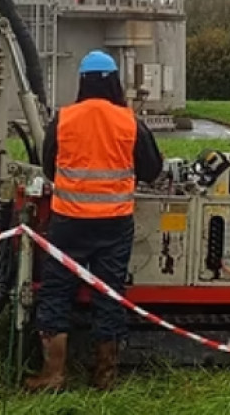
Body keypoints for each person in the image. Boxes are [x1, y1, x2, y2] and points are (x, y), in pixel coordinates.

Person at [25, 50, 163, 392]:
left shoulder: (65, 118)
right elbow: (152, 169)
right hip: (114, 224)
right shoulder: (129, 121)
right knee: (109, 294)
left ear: (82, 82)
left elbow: (49, 166)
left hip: (68, 222)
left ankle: (53, 374)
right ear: (114, 82)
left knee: (56, 292)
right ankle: (104, 377)